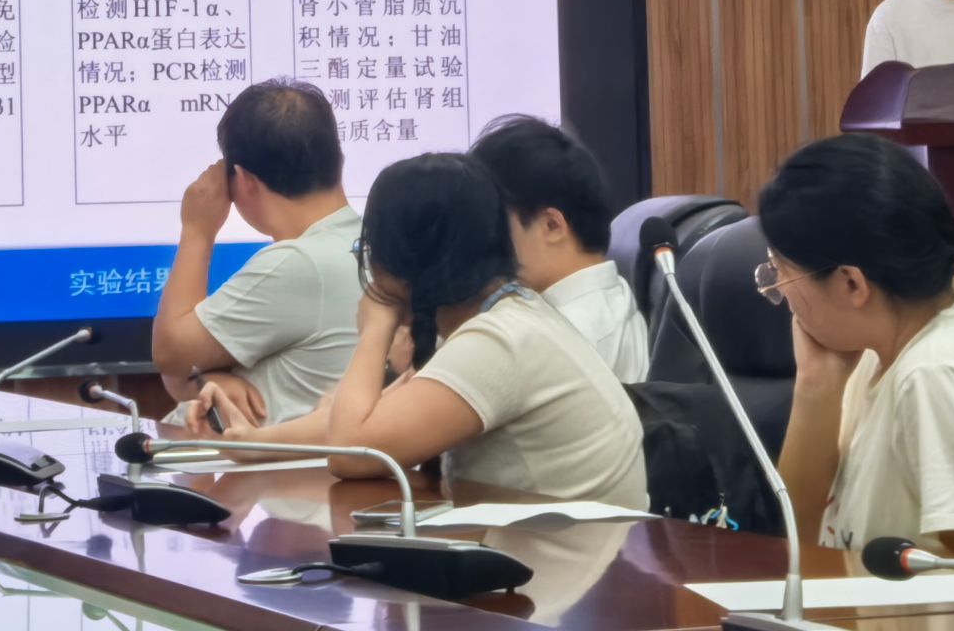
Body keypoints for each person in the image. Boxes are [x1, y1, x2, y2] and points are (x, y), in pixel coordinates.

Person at [205, 153, 648, 507]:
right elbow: (368, 423)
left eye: (369, 248)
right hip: (561, 559)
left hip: (569, 575)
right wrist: (254, 442)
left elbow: (351, 451)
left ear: (404, 258)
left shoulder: (498, 341)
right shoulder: (497, 317)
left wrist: (376, 328)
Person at [760, 134, 954, 568]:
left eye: (780, 271)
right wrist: (815, 387)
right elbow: (799, 546)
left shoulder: (938, 376)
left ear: (851, 283)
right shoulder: (876, 355)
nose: (778, 290)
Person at [152, 79, 359, 426]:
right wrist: (206, 378)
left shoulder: (299, 263)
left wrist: (197, 231)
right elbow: (181, 369)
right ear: (338, 160)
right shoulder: (372, 239)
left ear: (244, 180)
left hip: (260, 461)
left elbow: (171, 354)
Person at [471, 115, 648, 381]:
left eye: (495, 225)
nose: (486, 241)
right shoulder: (605, 300)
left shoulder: (572, 335)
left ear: (552, 226)